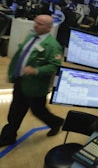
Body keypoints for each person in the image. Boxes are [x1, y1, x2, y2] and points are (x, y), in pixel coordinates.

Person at [0, 14, 65, 147]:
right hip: (21, 81)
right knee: (15, 111)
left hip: (35, 86)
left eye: (40, 24)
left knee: (38, 111)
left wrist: (36, 70)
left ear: (48, 28)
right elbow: (20, 56)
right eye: (36, 22)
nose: (35, 25)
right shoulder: (31, 37)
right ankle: (8, 136)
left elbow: (54, 66)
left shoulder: (53, 46)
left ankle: (56, 122)